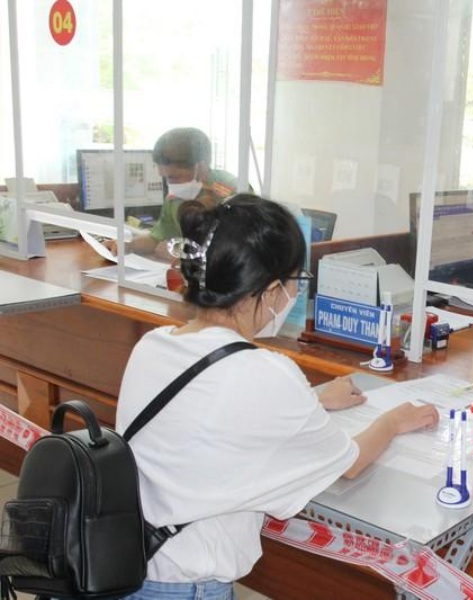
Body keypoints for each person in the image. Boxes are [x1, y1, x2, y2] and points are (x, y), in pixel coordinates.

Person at [115, 193, 438, 599]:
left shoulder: (153, 345)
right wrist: (392, 421)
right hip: (186, 587)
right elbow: (350, 463)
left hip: (124, 568)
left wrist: (314, 398)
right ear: (269, 291)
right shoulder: (264, 371)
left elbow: (211, 412)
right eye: (293, 283)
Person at [105, 127, 237, 260]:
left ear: (201, 167)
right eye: (165, 177)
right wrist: (128, 246)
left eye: (174, 177)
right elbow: (156, 237)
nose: (171, 185)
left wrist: (182, 254)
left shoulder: (232, 193)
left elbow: (239, 251)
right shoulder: (175, 198)